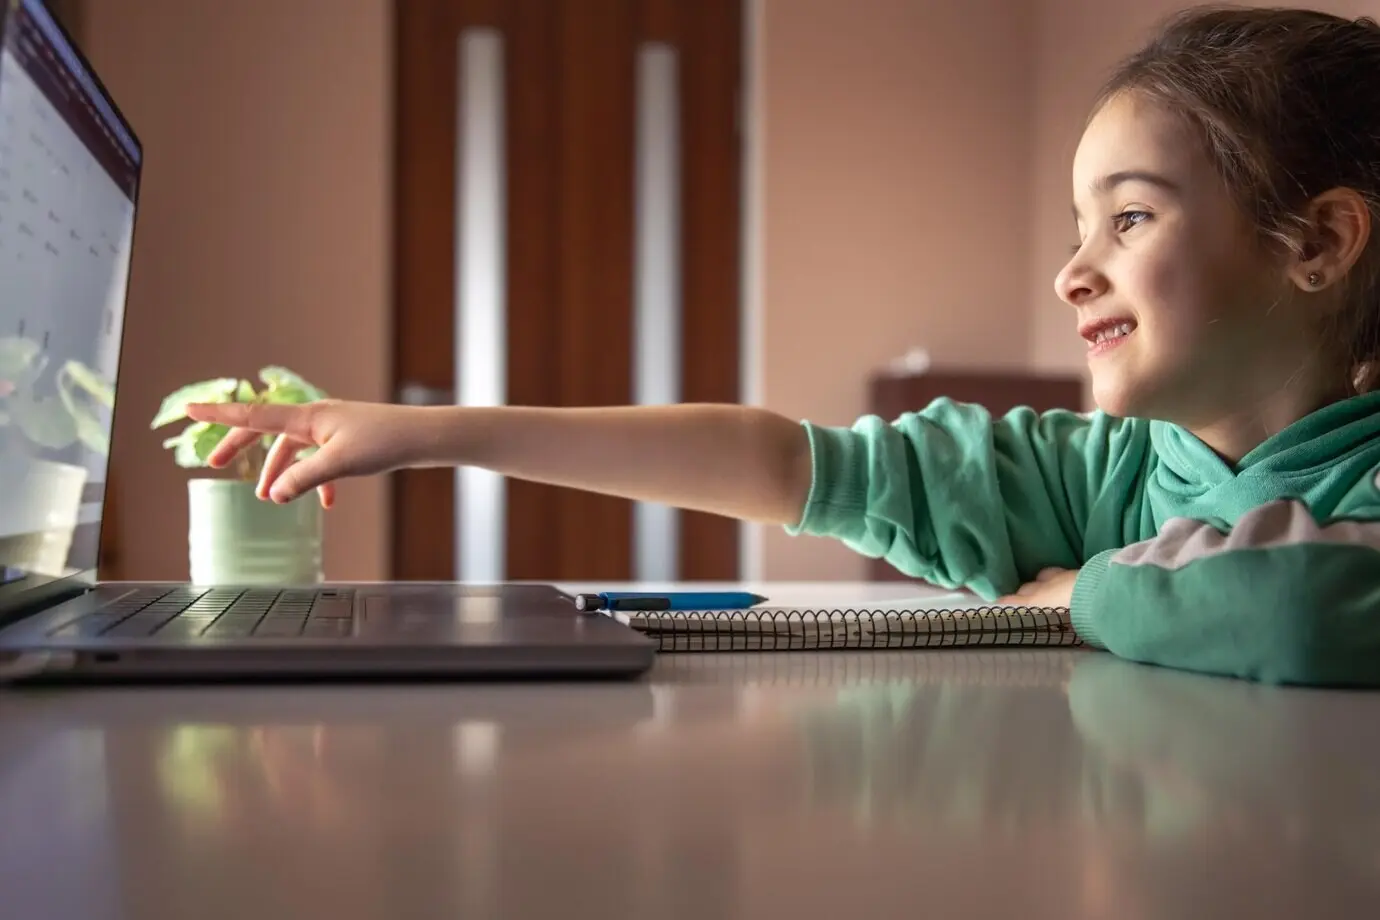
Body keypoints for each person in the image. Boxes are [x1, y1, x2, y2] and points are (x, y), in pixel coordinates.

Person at [187, 6, 1380, 685]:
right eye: (1079, 226)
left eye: (1128, 218)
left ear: (1317, 241)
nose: (1073, 270)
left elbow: (1297, 606)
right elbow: (788, 466)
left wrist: (1096, 593)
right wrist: (434, 436)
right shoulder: (1105, 472)